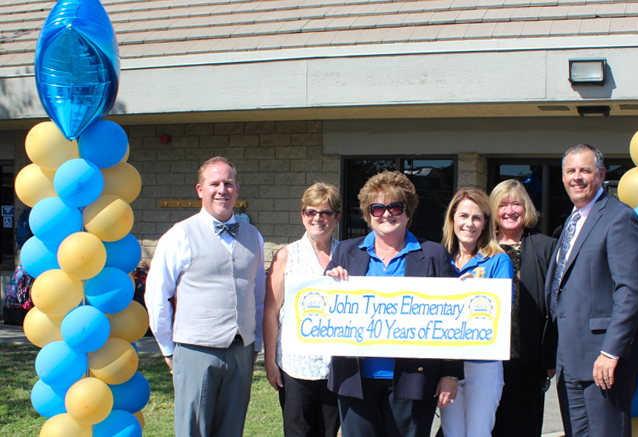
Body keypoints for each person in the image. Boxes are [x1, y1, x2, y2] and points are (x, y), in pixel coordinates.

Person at [325, 170, 462, 437]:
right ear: (368, 214)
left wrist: (451, 373)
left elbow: (453, 318)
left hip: (414, 379)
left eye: (395, 207)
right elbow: (321, 308)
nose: (386, 214)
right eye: (377, 208)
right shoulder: (345, 252)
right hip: (355, 380)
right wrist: (328, 284)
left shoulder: (433, 254)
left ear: (408, 211)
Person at [145, 156, 266, 437]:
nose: (222, 190)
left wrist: (256, 342)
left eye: (229, 183)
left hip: (242, 351)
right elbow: (156, 295)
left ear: (237, 190)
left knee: (231, 429)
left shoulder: (254, 236)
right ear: (200, 189)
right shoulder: (180, 235)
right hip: (195, 349)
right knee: (193, 430)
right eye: (214, 183)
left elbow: (259, 295)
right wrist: (168, 348)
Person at [545, 144, 638, 437]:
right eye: (570, 171)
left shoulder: (619, 218)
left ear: (601, 175)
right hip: (569, 357)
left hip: (603, 361)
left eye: (585, 170)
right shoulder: (572, 221)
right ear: (563, 177)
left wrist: (610, 352)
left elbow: (630, 290)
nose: (577, 177)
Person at [263, 182, 342, 437]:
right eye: (311, 212)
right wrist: (271, 363)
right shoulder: (286, 256)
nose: (318, 218)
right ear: (302, 215)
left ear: (337, 218)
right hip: (295, 366)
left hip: (335, 367)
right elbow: (271, 313)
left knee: (329, 433)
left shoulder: (348, 255)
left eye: (326, 212)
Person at [439, 188, 512, 437]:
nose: (469, 224)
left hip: (483, 363)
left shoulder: (498, 261)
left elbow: (504, 309)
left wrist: (478, 293)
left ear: (485, 225)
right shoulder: (440, 258)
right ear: (452, 219)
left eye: (476, 218)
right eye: (463, 216)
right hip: (448, 362)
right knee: (452, 433)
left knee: (478, 433)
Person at [489, 179, 557, 437]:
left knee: (523, 427)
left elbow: (555, 306)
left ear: (526, 208)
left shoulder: (546, 247)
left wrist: (550, 356)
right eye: (502, 205)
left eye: (516, 203)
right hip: (486, 360)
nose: (509, 211)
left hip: (527, 360)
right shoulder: (482, 248)